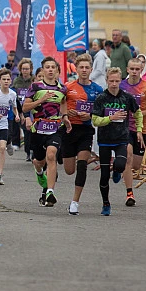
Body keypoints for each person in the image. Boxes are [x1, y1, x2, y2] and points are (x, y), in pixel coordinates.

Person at [92, 67, 142, 216]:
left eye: (116, 81)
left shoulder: (126, 97)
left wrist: (139, 129)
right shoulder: (101, 98)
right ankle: (106, 203)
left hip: (122, 138)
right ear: (106, 81)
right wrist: (110, 118)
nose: (114, 84)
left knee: (121, 164)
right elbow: (95, 120)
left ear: (121, 81)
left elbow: (138, 113)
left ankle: (117, 172)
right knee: (104, 176)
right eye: (111, 81)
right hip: (105, 140)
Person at [23, 57, 72, 207]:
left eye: (53, 67)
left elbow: (63, 102)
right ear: (43, 70)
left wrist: (65, 117)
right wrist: (41, 100)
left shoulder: (62, 89)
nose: (50, 70)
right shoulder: (35, 87)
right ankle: (39, 173)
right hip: (38, 130)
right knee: (39, 161)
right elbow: (25, 108)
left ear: (57, 71)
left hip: (55, 129)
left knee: (51, 156)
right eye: (47, 67)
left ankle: (50, 191)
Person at [62, 54, 104, 215]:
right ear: (77, 69)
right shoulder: (68, 87)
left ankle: (75, 202)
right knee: (69, 170)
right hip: (69, 130)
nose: (84, 70)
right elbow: (60, 104)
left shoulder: (97, 90)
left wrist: (91, 115)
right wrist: (66, 115)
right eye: (81, 67)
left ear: (91, 69)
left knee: (81, 166)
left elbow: (101, 111)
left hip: (86, 131)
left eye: (87, 67)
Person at [120, 59, 146, 194]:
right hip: (125, 128)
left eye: (137, 69)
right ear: (127, 70)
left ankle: (121, 169)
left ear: (141, 70)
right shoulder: (121, 86)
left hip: (141, 129)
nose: (134, 72)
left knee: (136, 165)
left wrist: (142, 113)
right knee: (128, 156)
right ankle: (129, 193)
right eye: (132, 69)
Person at [12, 58, 34, 160]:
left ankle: (31, 151)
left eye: (27, 69)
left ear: (31, 69)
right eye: (23, 69)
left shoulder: (34, 81)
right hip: (20, 108)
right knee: (25, 131)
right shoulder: (17, 81)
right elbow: (13, 93)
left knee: (31, 131)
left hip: (31, 108)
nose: (25, 71)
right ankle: (28, 152)